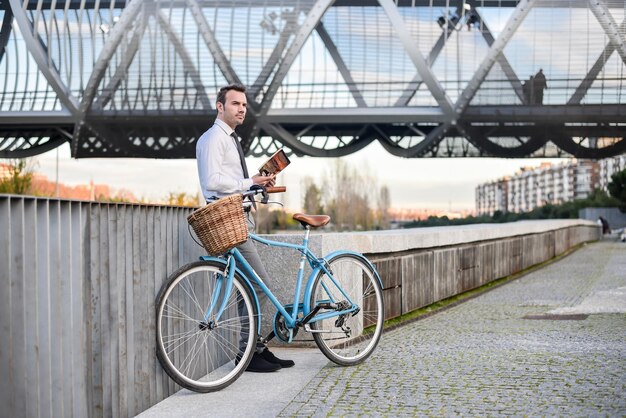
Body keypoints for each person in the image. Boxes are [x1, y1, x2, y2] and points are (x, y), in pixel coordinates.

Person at [196, 83, 294, 373]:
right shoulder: (214, 138)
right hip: (227, 220)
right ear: (220, 106)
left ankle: (255, 350)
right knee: (260, 286)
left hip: (239, 216)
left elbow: (234, 182)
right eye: (236, 104)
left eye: (244, 105)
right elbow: (212, 181)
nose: (241, 109)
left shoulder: (229, 139)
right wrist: (247, 182)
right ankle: (249, 353)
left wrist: (259, 185)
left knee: (244, 290)